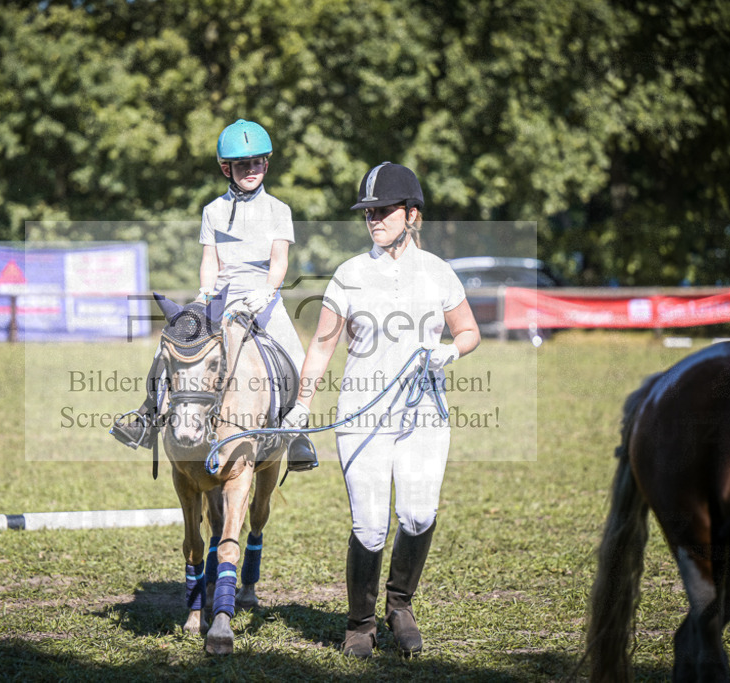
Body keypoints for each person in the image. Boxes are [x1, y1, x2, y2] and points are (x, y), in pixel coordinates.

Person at [285, 162, 480, 658]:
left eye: (384, 209)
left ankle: (400, 606)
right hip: (362, 416)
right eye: (368, 211)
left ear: (412, 214)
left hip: (424, 415)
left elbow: (469, 331)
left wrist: (450, 351)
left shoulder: (438, 272)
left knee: (418, 514)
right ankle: (359, 624)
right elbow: (323, 346)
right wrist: (301, 405)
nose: (373, 218)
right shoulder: (350, 275)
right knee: (369, 525)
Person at [113, 119, 317, 472]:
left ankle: (298, 435)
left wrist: (268, 292)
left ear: (266, 164)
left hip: (264, 299)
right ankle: (147, 417)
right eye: (242, 165)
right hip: (220, 300)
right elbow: (210, 260)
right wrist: (204, 295)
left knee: (297, 358)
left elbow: (280, 260)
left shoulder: (279, 210)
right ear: (227, 168)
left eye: (257, 163)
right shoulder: (213, 211)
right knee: (173, 346)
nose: (250, 170)